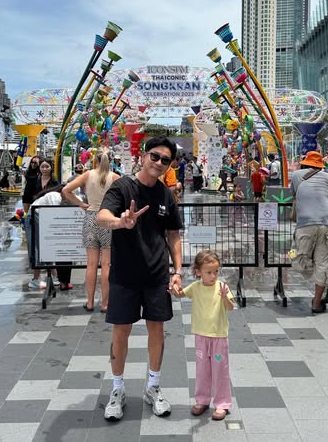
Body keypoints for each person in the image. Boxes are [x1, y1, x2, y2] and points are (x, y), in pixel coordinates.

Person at [96, 136, 183, 421]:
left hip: (157, 274)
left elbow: (173, 235)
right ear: (144, 156)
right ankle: (117, 389)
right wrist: (121, 221)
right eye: (154, 156)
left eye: (165, 160)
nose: (158, 163)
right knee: (121, 331)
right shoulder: (123, 187)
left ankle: (153, 386)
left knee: (157, 329)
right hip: (124, 273)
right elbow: (102, 216)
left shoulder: (166, 195)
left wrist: (178, 271)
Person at [172, 250, 233, 420]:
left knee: (220, 370)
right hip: (201, 336)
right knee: (202, 369)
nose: (213, 276)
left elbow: (230, 307)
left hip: (218, 337)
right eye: (209, 272)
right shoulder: (196, 287)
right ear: (198, 272)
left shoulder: (222, 287)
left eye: (216, 271)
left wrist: (224, 297)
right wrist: (173, 289)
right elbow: (180, 294)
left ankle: (222, 403)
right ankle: (202, 400)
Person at [63, 150, 120, 311]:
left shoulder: (87, 175)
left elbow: (66, 190)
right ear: (110, 161)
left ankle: (89, 302)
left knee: (91, 264)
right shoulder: (115, 177)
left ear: (95, 160)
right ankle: (105, 304)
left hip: (90, 218)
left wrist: (81, 204)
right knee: (106, 264)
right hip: (108, 218)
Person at [290, 151, 328, 314]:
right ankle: (318, 301)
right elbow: (326, 195)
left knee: (297, 259)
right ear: (320, 165)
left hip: (305, 224)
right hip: (327, 224)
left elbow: (293, 194)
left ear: (304, 163)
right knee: (323, 263)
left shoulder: (296, 175)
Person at [25, 184, 71, 290]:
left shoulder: (59, 197)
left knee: (46, 247)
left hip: (40, 217)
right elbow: (54, 214)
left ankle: (54, 276)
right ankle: (35, 279)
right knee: (38, 248)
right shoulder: (55, 196)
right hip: (34, 217)